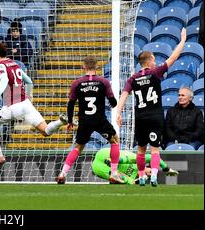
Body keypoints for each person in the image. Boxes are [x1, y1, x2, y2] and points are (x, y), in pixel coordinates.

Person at [117, 28, 187, 187]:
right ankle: (154, 176)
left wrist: (118, 113)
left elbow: (123, 96)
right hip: (155, 116)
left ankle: (141, 177)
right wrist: (182, 40)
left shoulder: (132, 79)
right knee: (155, 150)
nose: (155, 62)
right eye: (154, 60)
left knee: (141, 150)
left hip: (140, 117)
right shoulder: (156, 73)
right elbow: (173, 57)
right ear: (149, 61)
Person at [0, 43, 67, 166]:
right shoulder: (15, 64)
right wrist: (29, 94)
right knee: (45, 131)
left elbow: (5, 80)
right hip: (26, 104)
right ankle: (60, 122)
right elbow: (29, 80)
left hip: (13, 106)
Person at [57, 56, 123, 184]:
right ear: (97, 67)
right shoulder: (103, 82)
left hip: (84, 121)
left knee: (77, 148)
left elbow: (70, 104)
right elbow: (113, 102)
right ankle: (114, 173)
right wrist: (113, 103)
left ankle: (62, 173)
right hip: (100, 120)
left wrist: (70, 121)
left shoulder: (77, 83)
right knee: (114, 141)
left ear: (84, 67)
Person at [92, 148, 179, 185]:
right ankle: (115, 160)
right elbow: (152, 157)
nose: (149, 175)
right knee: (132, 158)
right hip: (104, 154)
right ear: (147, 167)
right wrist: (166, 168)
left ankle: (114, 167)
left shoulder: (132, 178)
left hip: (98, 167)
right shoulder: (139, 162)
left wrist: (138, 181)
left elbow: (129, 182)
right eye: (151, 171)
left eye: (149, 177)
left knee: (122, 180)